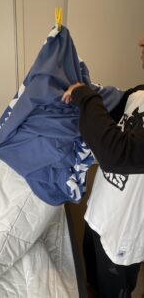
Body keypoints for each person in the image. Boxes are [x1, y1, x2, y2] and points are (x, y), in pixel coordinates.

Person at [62, 36, 144, 298]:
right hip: (100, 213)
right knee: (92, 280)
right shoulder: (140, 92)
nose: (140, 41)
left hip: (125, 233)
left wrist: (85, 97)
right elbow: (106, 117)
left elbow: (115, 154)